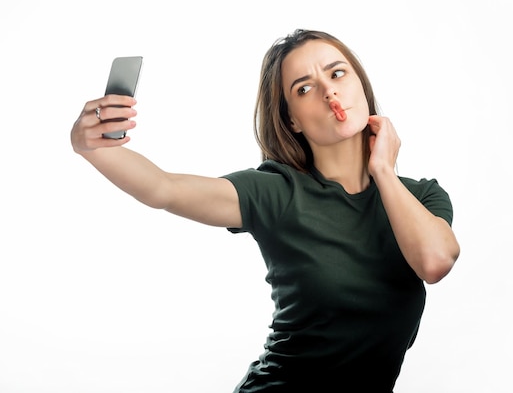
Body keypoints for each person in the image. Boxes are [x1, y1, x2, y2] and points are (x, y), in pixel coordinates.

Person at [71, 29, 460, 392]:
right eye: (304, 88)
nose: (328, 92)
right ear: (291, 118)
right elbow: (163, 188)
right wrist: (91, 147)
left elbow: (434, 262)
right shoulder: (276, 192)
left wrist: (383, 172)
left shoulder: (421, 197)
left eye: (337, 74)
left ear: (360, 83)